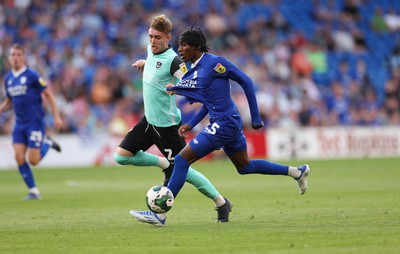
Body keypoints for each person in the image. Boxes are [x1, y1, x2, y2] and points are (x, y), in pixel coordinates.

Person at [162, 27, 312, 217]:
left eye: (184, 45)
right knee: (245, 167)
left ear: (197, 47)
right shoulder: (196, 69)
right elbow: (210, 101)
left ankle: (161, 213)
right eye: (179, 45)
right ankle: (297, 172)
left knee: (182, 160)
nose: (180, 49)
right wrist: (191, 123)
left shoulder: (216, 63)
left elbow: (247, 81)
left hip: (224, 123)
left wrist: (256, 116)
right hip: (227, 121)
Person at [113, 15, 231, 226]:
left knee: (185, 172)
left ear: (168, 38)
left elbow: (191, 81)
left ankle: (221, 202)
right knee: (121, 157)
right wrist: (145, 62)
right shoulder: (151, 51)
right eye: (150, 36)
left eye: (157, 37)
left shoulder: (175, 61)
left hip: (168, 128)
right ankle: (163, 163)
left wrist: (186, 92)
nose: (152, 41)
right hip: (148, 122)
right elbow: (154, 62)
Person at [0, 43, 63, 200]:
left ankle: (47, 143)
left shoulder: (32, 75)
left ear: (23, 57)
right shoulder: (8, 79)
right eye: (13, 55)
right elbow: (9, 101)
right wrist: (1, 108)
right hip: (19, 124)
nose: (15, 58)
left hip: (34, 122)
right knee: (19, 157)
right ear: (9, 58)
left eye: (18, 54)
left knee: (33, 160)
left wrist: (56, 116)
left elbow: (49, 95)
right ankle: (34, 191)